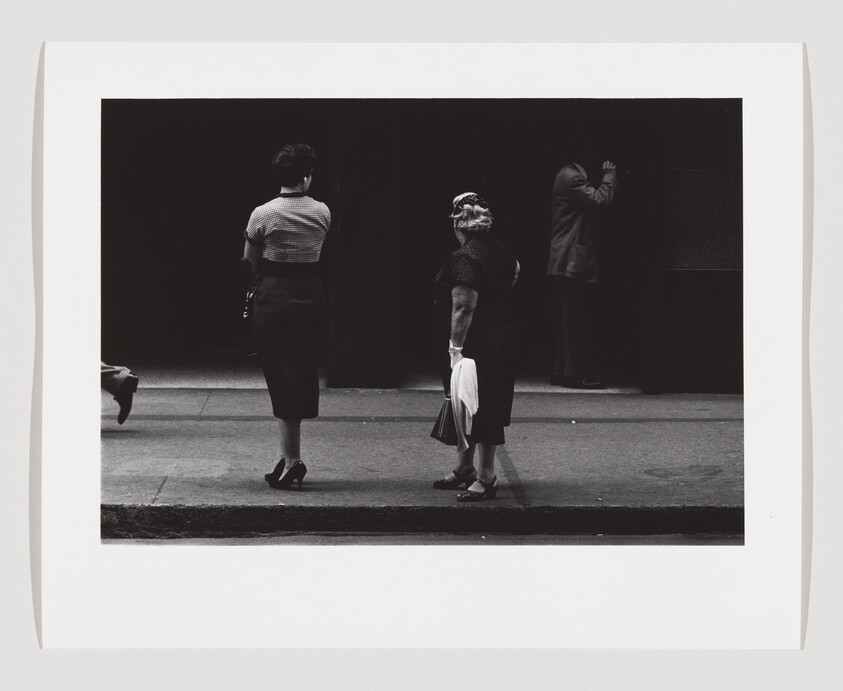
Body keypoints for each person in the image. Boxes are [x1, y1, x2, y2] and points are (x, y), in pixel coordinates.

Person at [242, 143, 331, 490]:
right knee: (301, 368)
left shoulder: (262, 214)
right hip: (311, 292)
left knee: (279, 372)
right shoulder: (322, 211)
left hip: (274, 294)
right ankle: (287, 456)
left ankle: (292, 458)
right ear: (306, 176)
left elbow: (248, 260)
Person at [432, 193, 520, 502]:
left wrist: (455, 348)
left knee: (476, 405)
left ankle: (485, 477)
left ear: (459, 224)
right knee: (475, 402)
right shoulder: (500, 251)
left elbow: (463, 308)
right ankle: (464, 468)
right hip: (501, 336)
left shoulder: (465, 257)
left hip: (476, 342)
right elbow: (514, 274)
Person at [548, 155, 618, 389]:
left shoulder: (566, 174)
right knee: (575, 320)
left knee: (568, 320)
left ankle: (562, 370)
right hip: (572, 260)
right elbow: (599, 199)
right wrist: (609, 177)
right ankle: (573, 374)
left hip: (565, 259)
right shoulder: (573, 177)